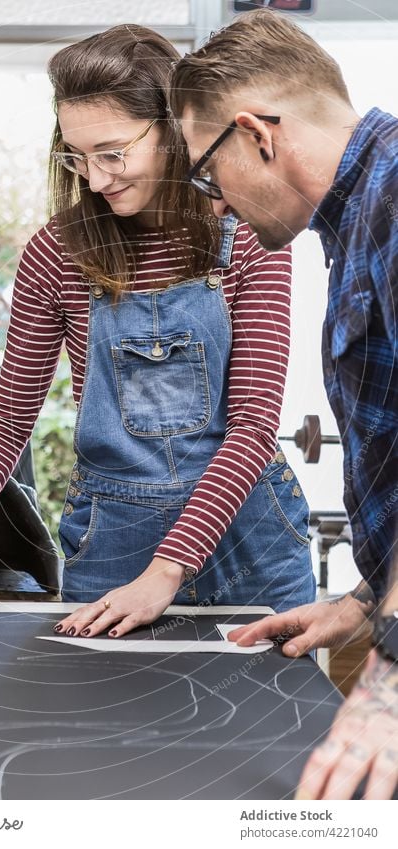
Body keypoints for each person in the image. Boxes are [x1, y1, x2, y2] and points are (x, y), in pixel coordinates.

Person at [0, 24, 315, 637]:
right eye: (77, 156)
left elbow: (251, 426)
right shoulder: (57, 253)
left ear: (174, 129)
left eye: (113, 153)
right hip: (114, 543)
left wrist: (165, 573)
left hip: (250, 543)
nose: (94, 179)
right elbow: (8, 422)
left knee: (272, 729)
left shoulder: (247, 230)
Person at [170, 8, 397, 799]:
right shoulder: (357, 215)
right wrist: (364, 600)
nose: (217, 206)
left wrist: (388, 677)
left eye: (206, 173)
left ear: (256, 135)